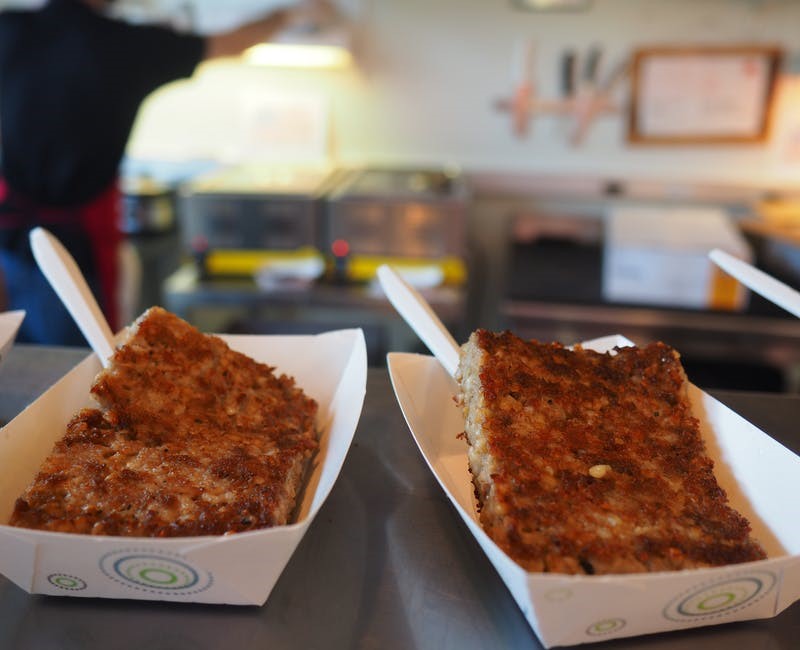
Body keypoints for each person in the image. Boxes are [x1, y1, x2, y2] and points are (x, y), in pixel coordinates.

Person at [0, 0, 329, 344]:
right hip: (75, 244)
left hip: (10, 233)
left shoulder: (10, 29)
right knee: (75, 358)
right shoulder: (122, 45)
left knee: (25, 356)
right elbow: (226, 43)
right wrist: (291, 13)